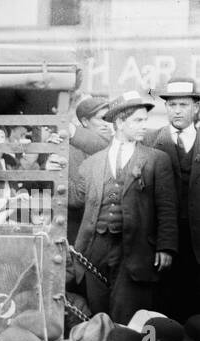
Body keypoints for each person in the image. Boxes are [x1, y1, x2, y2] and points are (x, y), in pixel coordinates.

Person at [70, 91, 178, 323]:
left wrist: (166, 247)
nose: (144, 126)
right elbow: (75, 199)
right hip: (94, 250)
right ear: (119, 122)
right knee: (98, 315)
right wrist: (53, 168)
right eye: (138, 120)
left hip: (135, 250)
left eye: (144, 120)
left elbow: (167, 207)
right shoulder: (92, 162)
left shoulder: (156, 159)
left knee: (128, 315)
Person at [148, 78, 200, 321]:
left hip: (197, 243)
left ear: (196, 108)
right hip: (161, 244)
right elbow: (107, 143)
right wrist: (70, 134)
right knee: (163, 309)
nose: (177, 110)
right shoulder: (150, 140)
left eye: (183, 105)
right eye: (172, 105)